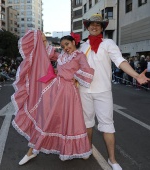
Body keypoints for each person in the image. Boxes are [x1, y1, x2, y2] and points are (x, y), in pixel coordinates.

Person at [11, 30, 94, 165]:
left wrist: (74, 76)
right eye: (63, 46)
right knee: (45, 119)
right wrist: (42, 37)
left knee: (69, 122)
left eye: (67, 44)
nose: (66, 47)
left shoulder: (79, 56)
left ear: (73, 42)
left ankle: (80, 149)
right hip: (54, 89)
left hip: (68, 93)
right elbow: (44, 51)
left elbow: (87, 71)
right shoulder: (61, 56)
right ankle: (31, 151)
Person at [79, 13, 150, 170]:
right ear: (87, 26)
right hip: (84, 90)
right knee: (86, 123)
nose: (94, 26)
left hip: (103, 91)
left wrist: (136, 75)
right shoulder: (82, 46)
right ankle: (87, 149)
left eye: (98, 24)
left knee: (108, 125)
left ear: (102, 28)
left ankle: (112, 159)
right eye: (91, 24)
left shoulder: (108, 43)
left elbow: (120, 61)